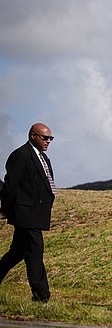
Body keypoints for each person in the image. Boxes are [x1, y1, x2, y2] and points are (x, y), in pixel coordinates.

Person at [0, 123, 57, 303]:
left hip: (36, 215)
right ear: (33, 136)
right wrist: (7, 211)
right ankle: (41, 296)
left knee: (16, 253)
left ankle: (40, 296)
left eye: (50, 138)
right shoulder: (21, 155)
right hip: (25, 215)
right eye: (45, 138)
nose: (48, 141)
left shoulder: (44, 158)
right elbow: (10, 187)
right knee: (35, 251)